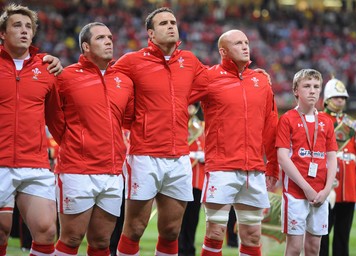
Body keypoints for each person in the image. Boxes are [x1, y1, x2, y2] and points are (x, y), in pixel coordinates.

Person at [113, 7, 208, 255]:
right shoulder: (132, 61)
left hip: (179, 157)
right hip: (144, 155)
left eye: (173, 22)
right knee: (134, 227)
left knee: (171, 231)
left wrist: (248, 73)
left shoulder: (190, 61)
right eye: (163, 23)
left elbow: (216, 80)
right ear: (151, 34)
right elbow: (106, 84)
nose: (171, 26)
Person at [189, 29, 279, 256]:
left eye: (246, 42)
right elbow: (178, 104)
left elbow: (271, 125)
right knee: (215, 232)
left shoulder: (261, 81)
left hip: (254, 171)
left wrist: (273, 165)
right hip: (221, 168)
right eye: (238, 43)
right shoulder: (208, 78)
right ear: (223, 51)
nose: (245, 46)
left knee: (252, 235)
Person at [49, 22, 134, 256]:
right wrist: (72, 142)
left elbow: (127, 120)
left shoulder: (124, 81)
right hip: (77, 170)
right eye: (101, 38)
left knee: (101, 241)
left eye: (110, 36)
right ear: (85, 46)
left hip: (113, 171)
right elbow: (54, 117)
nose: (109, 41)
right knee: (71, 238)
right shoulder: (65, 77)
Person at [0, 4, 62, 256]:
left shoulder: (47, 69)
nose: (24, 31)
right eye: (17, 25)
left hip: (34, 163)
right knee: (2, 229)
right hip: (0, 161)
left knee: (47, 230)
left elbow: (56, 119)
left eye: (29, 27)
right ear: (2, 33)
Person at [276, 69, 338, 256]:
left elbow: (332, 157)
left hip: (320, 194)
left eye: (316, 86)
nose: (312, 91)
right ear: (296, 90)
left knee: (314, 248)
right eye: (307, 86)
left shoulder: (326, 121)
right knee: (294, 248)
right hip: (296, 193)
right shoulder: (287, 119)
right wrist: (306, 188)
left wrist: (326, 190)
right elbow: (282, 157)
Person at [319, 77, 356, 256]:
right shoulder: (319, 119)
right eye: (337, 96)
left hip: (348, 188)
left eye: (343, 97)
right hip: (327, 186)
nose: (341, 100)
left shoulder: (352, 124)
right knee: (322, 232)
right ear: (327, 99)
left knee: (343, 234)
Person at [178, 104, 206, 256]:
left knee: (192, 218)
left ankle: (188, 249)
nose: (190, 109)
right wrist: (192, 155)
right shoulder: (179, 124)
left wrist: (203, 155)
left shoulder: (201, 126)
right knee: (178, 217)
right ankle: (179, 248)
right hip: (182, 178)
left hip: (197, 179)